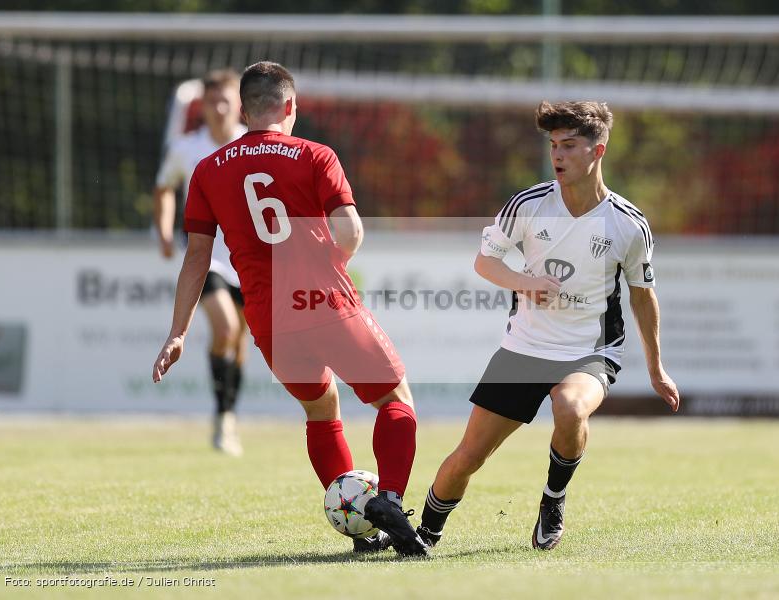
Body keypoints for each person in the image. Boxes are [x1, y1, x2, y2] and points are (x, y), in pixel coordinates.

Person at [151, 61, 429, 557]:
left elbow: (196, 257)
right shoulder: (316, 155)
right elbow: (351, 232)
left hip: (269, 321)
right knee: (395, 400)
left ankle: (362, 529)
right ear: (290, 107)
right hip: (326, 301)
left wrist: (177, 332)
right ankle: (387, 500)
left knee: (321, 410)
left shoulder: (209, 169)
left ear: (243, 108)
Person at [416, 101, 680, 551]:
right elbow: (486, 262)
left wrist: (657, 368)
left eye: (569, 146)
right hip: (524, 348)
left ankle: (553, 499)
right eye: (553, 145)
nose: (557, 155)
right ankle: (424, 535)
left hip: (589, 351)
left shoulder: (628, 224)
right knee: (469, 457)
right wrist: (525, 283)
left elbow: (641, 294)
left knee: (572, 408)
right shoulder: (529, 204)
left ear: (598, 151)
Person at [153, 69, 248, 456]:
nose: (220, 107)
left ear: (240, 104)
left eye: (226, 100)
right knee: (224, 329)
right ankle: (223, 418)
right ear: (203, 106)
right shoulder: (187, 147)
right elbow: (164, 189)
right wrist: (162, 229)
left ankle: (227, 415)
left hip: (247, 259)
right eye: (212, 101)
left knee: (239, 341)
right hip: (206, 257)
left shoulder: (253, 143)